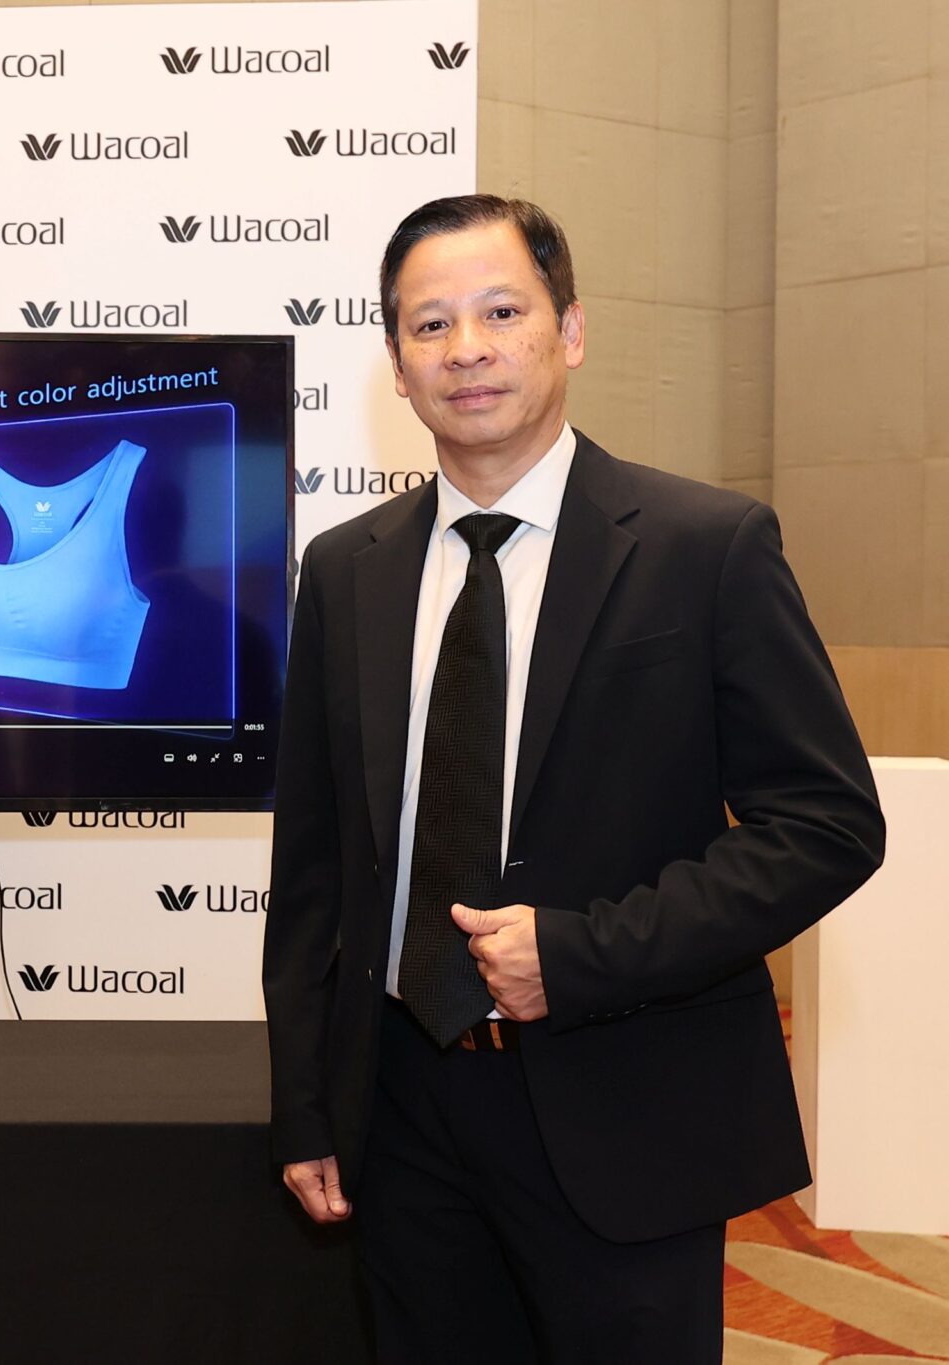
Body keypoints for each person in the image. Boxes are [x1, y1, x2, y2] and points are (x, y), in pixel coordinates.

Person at [262, 196, 885, 1362]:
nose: (466, 349)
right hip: (399, 1116)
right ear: (395, 365)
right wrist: (304, 1099)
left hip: (626, 1103)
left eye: (501, 312)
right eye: (429, 325)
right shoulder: (344, 571)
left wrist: (583, 954)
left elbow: (824, 826)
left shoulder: (706, 549)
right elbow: (312, 869)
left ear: (571, 331)